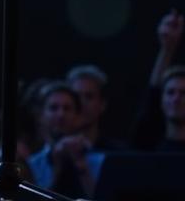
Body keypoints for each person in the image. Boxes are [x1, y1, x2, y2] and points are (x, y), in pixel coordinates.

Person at [26, 81, 103, 196]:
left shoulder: (97, 160)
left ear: (78, 116)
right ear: (42, 115)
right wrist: (57, 165)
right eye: (53, 108)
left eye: (67, 108)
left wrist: (80, 165)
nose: (61, 114)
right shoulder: (32, 164)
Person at [132, 9, 185, 150]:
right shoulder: (149, 145)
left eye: (183, 93)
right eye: (170, 92)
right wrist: (167, 48)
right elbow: (154, 91)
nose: (176, 98)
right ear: (161, 100)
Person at [66, 63, 126, 151]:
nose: (81, 102)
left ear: (102, 105)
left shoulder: (119, 153)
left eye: (88, 96)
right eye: (76, 96)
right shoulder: (50, 151)